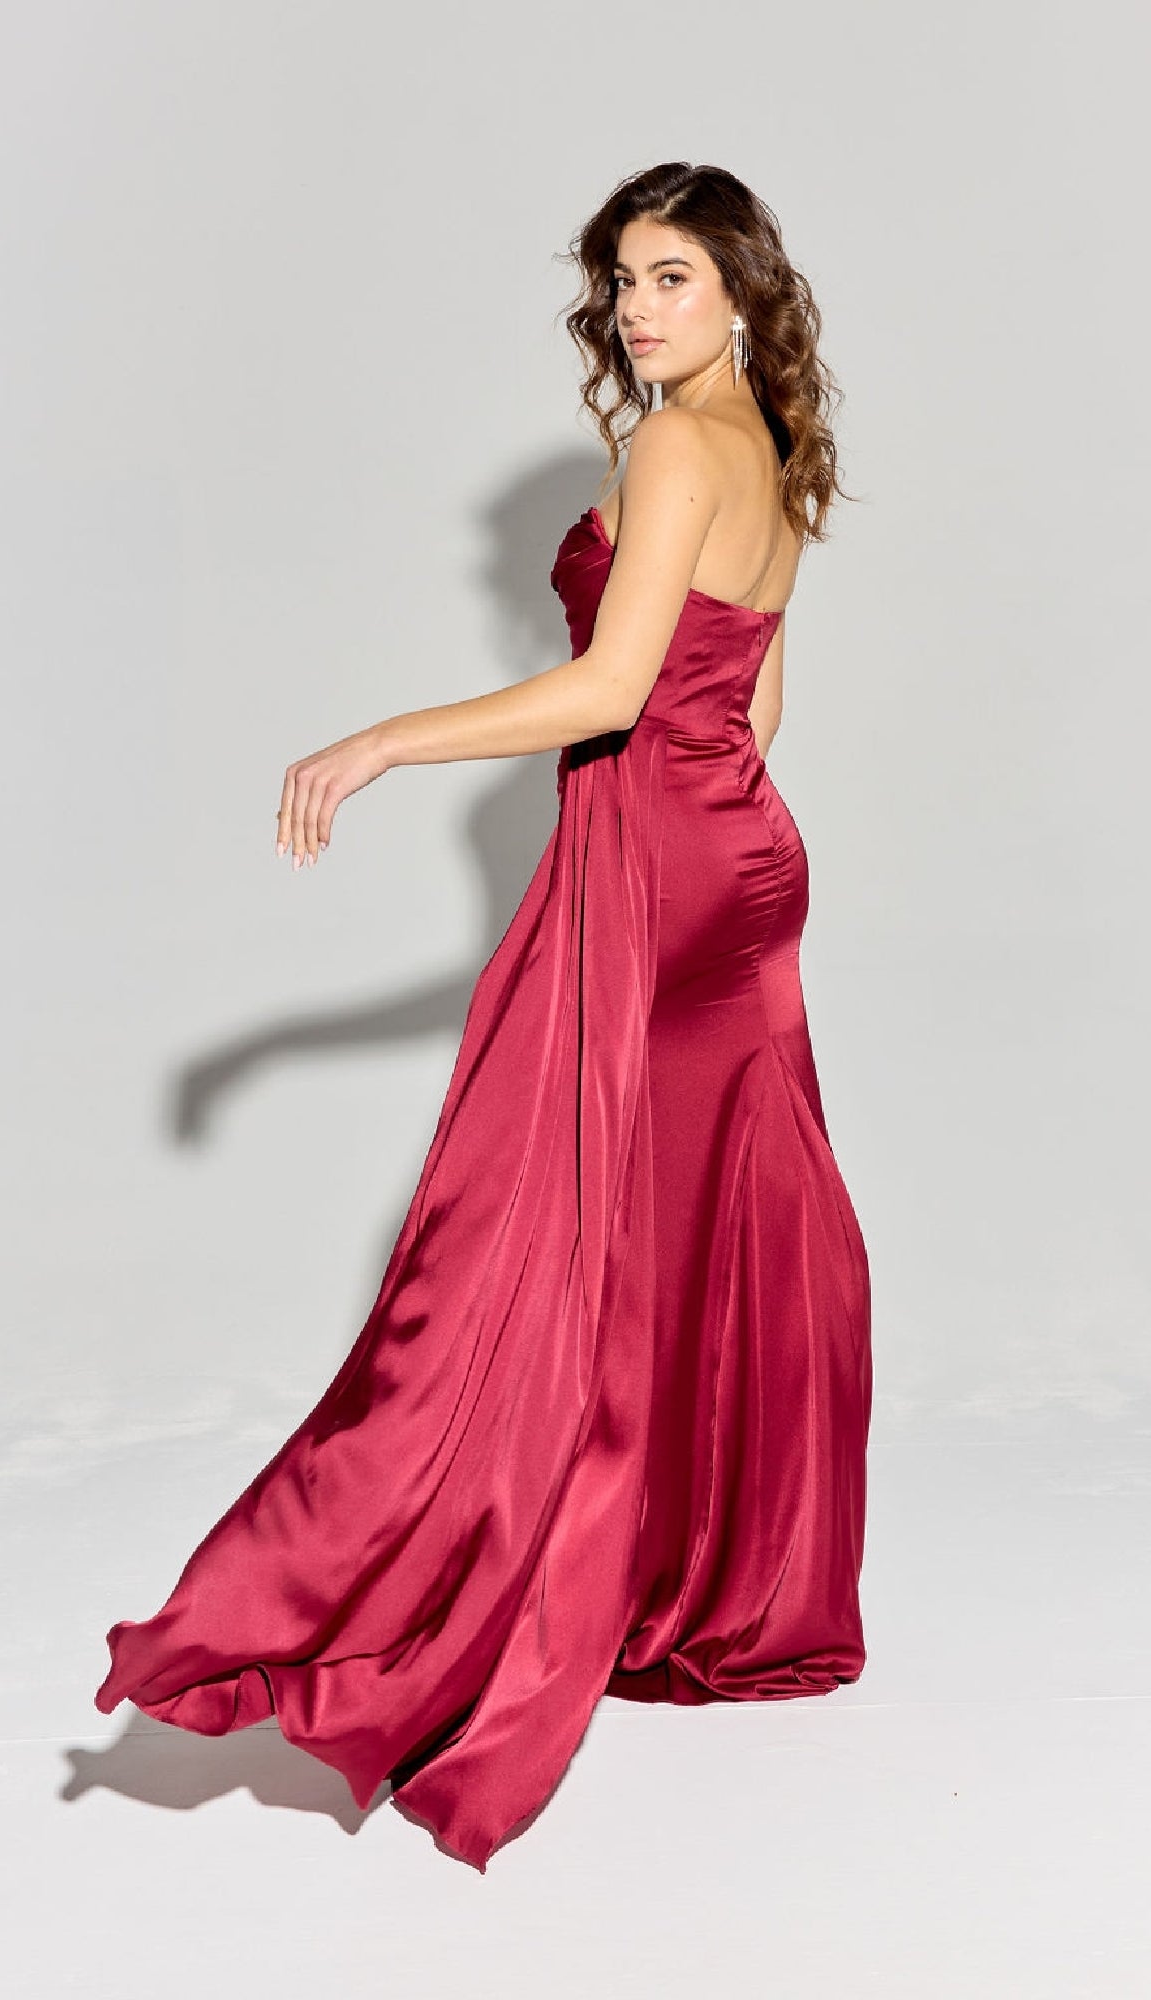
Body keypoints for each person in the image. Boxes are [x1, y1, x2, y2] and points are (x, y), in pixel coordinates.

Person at [94, 160, 872, 1874]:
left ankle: (481, 1582)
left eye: (669, 276)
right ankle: (700, 1584)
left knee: (553, 1243)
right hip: (735, 867)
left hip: (661, 876)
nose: (636, 309)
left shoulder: (677, 444)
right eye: (620, 281)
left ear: (740, 287)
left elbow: (610, 688)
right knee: (681, 1230)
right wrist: (680, 815)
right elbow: (760, 699)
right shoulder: (770, 449)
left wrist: (377, 739)